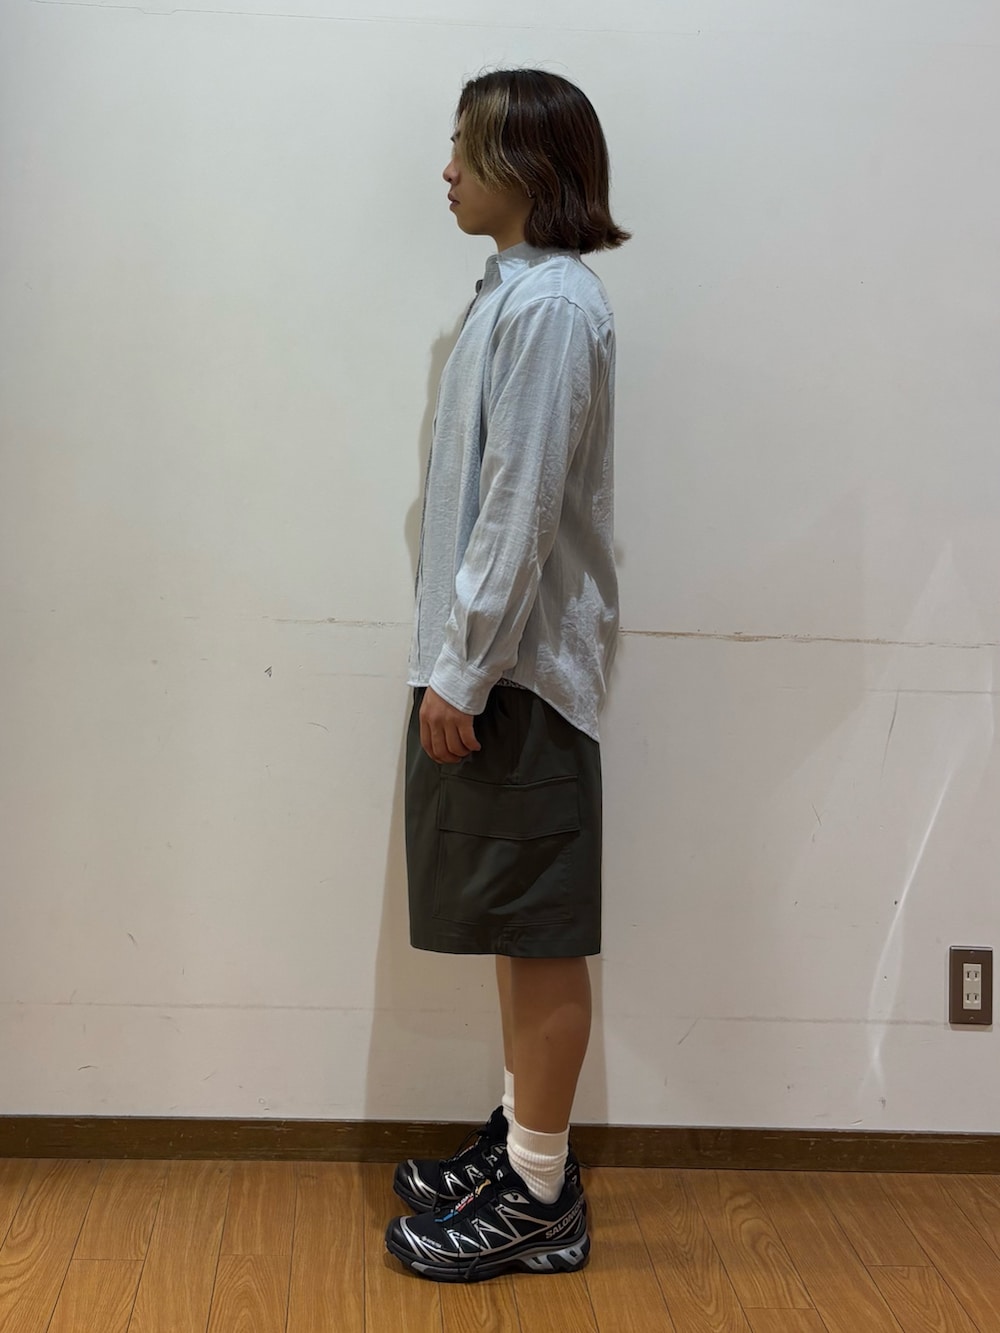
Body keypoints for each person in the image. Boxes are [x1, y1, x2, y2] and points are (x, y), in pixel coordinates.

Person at [385, 67, 630, 1283]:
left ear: (524, 166)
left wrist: (465, 670)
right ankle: (522, 1144)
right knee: (513, 924)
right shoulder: (513, 297)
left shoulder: (550, 310)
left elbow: (519, 508)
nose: (446, 172)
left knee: (537, 930)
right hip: (496, 669)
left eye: (464, 150)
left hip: (516, 675)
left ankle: (537, 1192)